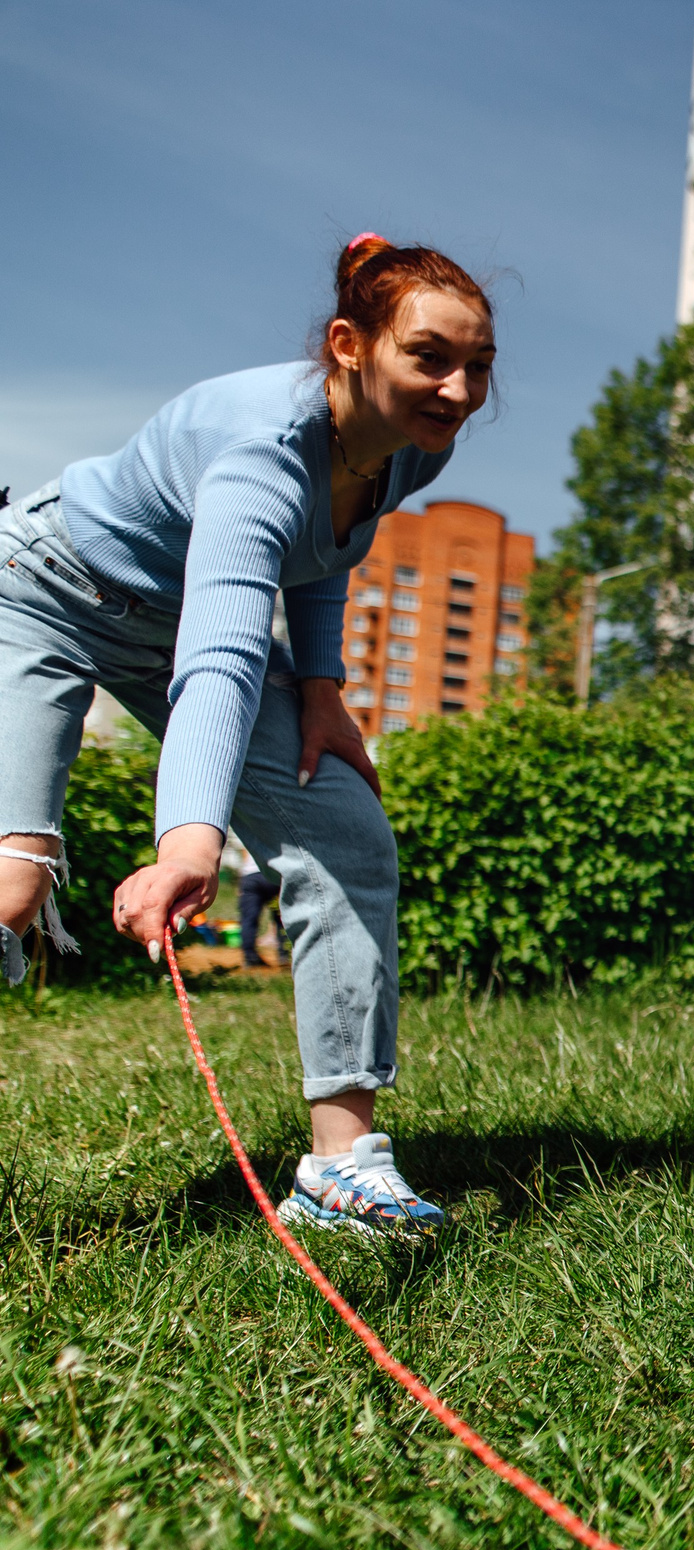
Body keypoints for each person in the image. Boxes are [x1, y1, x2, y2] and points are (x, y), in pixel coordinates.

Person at [0, 234, 496, 1236]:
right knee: (15, 881)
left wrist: (323, 688)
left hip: (167, 621)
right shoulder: (259, 452)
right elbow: (221, 655)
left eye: (477, 364)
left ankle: (340, 1168)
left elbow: (322, 554)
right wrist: (190, 843)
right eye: (430, 357)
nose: (457, 389)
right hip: (46, 594)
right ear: (350, 346)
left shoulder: (414, 445)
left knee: (344, 829)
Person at [236, 851, 283, 968]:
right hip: (275, 874)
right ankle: (285, 954)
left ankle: (250, 957)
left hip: (251, 876)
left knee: (248, 919)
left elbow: (245, 854)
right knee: (281, 918)